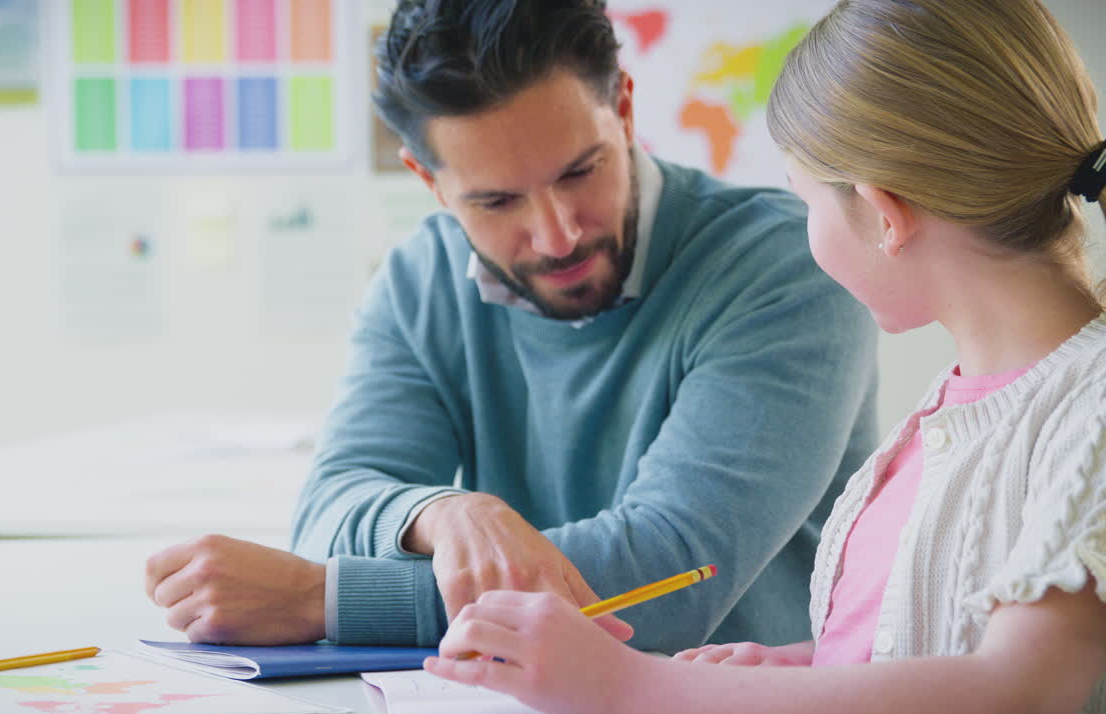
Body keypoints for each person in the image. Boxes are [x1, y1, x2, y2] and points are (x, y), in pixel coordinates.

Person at [422, 0, 1106, 714]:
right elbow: (922, 647)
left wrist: (634, 686)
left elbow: (1022, 689)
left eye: (804, 199)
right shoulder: (955, 405)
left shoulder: (1087, 410)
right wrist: (789, 672)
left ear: (883, 214)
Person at [142, 0, 879, 653]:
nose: (556, 235)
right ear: (428, 181)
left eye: (579, 172)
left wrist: (319, 599)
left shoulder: (785, 266)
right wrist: (443, 513)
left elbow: (668, 579)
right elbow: (336, 501)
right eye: (497, 202)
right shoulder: (419, 280)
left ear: (622, 109)